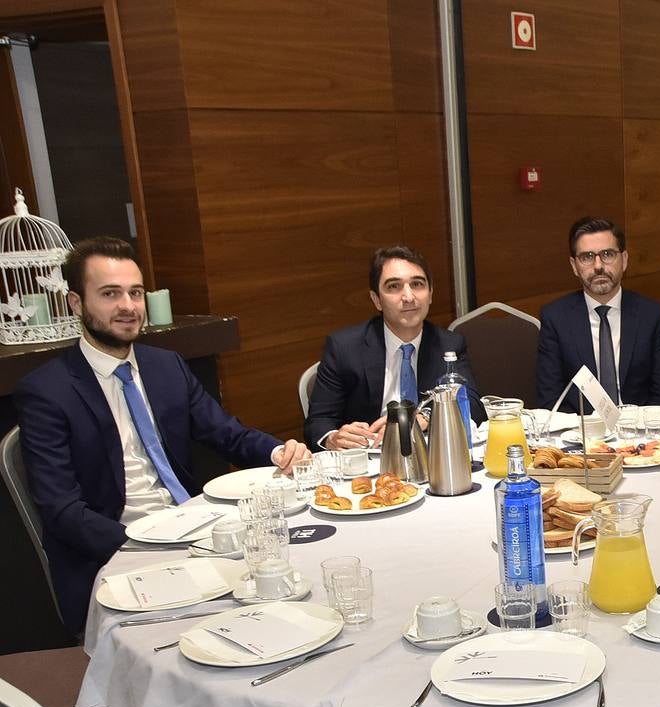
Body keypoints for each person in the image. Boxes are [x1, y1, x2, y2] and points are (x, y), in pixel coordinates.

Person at [15, 237, 310, 633]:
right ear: (75, 303)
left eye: (135, 293)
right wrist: (141, 544)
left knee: (292, 578)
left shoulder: (165, 366)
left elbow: (226, 434)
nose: (127, 306)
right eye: (109, 294)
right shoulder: (47, 391)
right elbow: (63, 511)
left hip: (192, 533)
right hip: (116, 553)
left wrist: (278, 452)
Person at [305, 246, 481, 450]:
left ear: (431, 294)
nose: (408, 296)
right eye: (393, 287)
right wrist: (333, 437)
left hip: (431, 456)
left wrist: (425, 417)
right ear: (376, 300)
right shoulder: (344, 347)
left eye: (417, 284)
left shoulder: (448, 344)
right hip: (370, 460)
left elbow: (474, 406)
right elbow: (318, 422)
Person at [535, 217, 660, 411]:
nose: (598, 266)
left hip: (640, 433)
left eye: (607, 254)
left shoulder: (652, 316)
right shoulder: (556, 318)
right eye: (586, 257)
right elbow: (550, 399)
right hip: (581, 432)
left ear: (624, 260)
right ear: (573, 266)